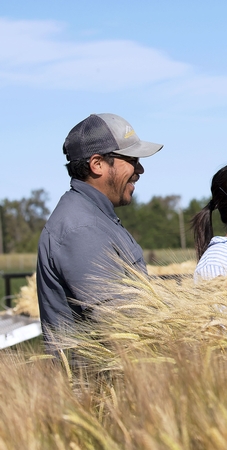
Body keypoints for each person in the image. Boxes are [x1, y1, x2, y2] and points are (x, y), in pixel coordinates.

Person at [37, 113, 163, 354]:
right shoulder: (83, 229)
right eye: (132, 159)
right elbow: (123, 326)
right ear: (97, 164)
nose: (140, 169)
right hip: (100, 389)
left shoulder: (95, 217)